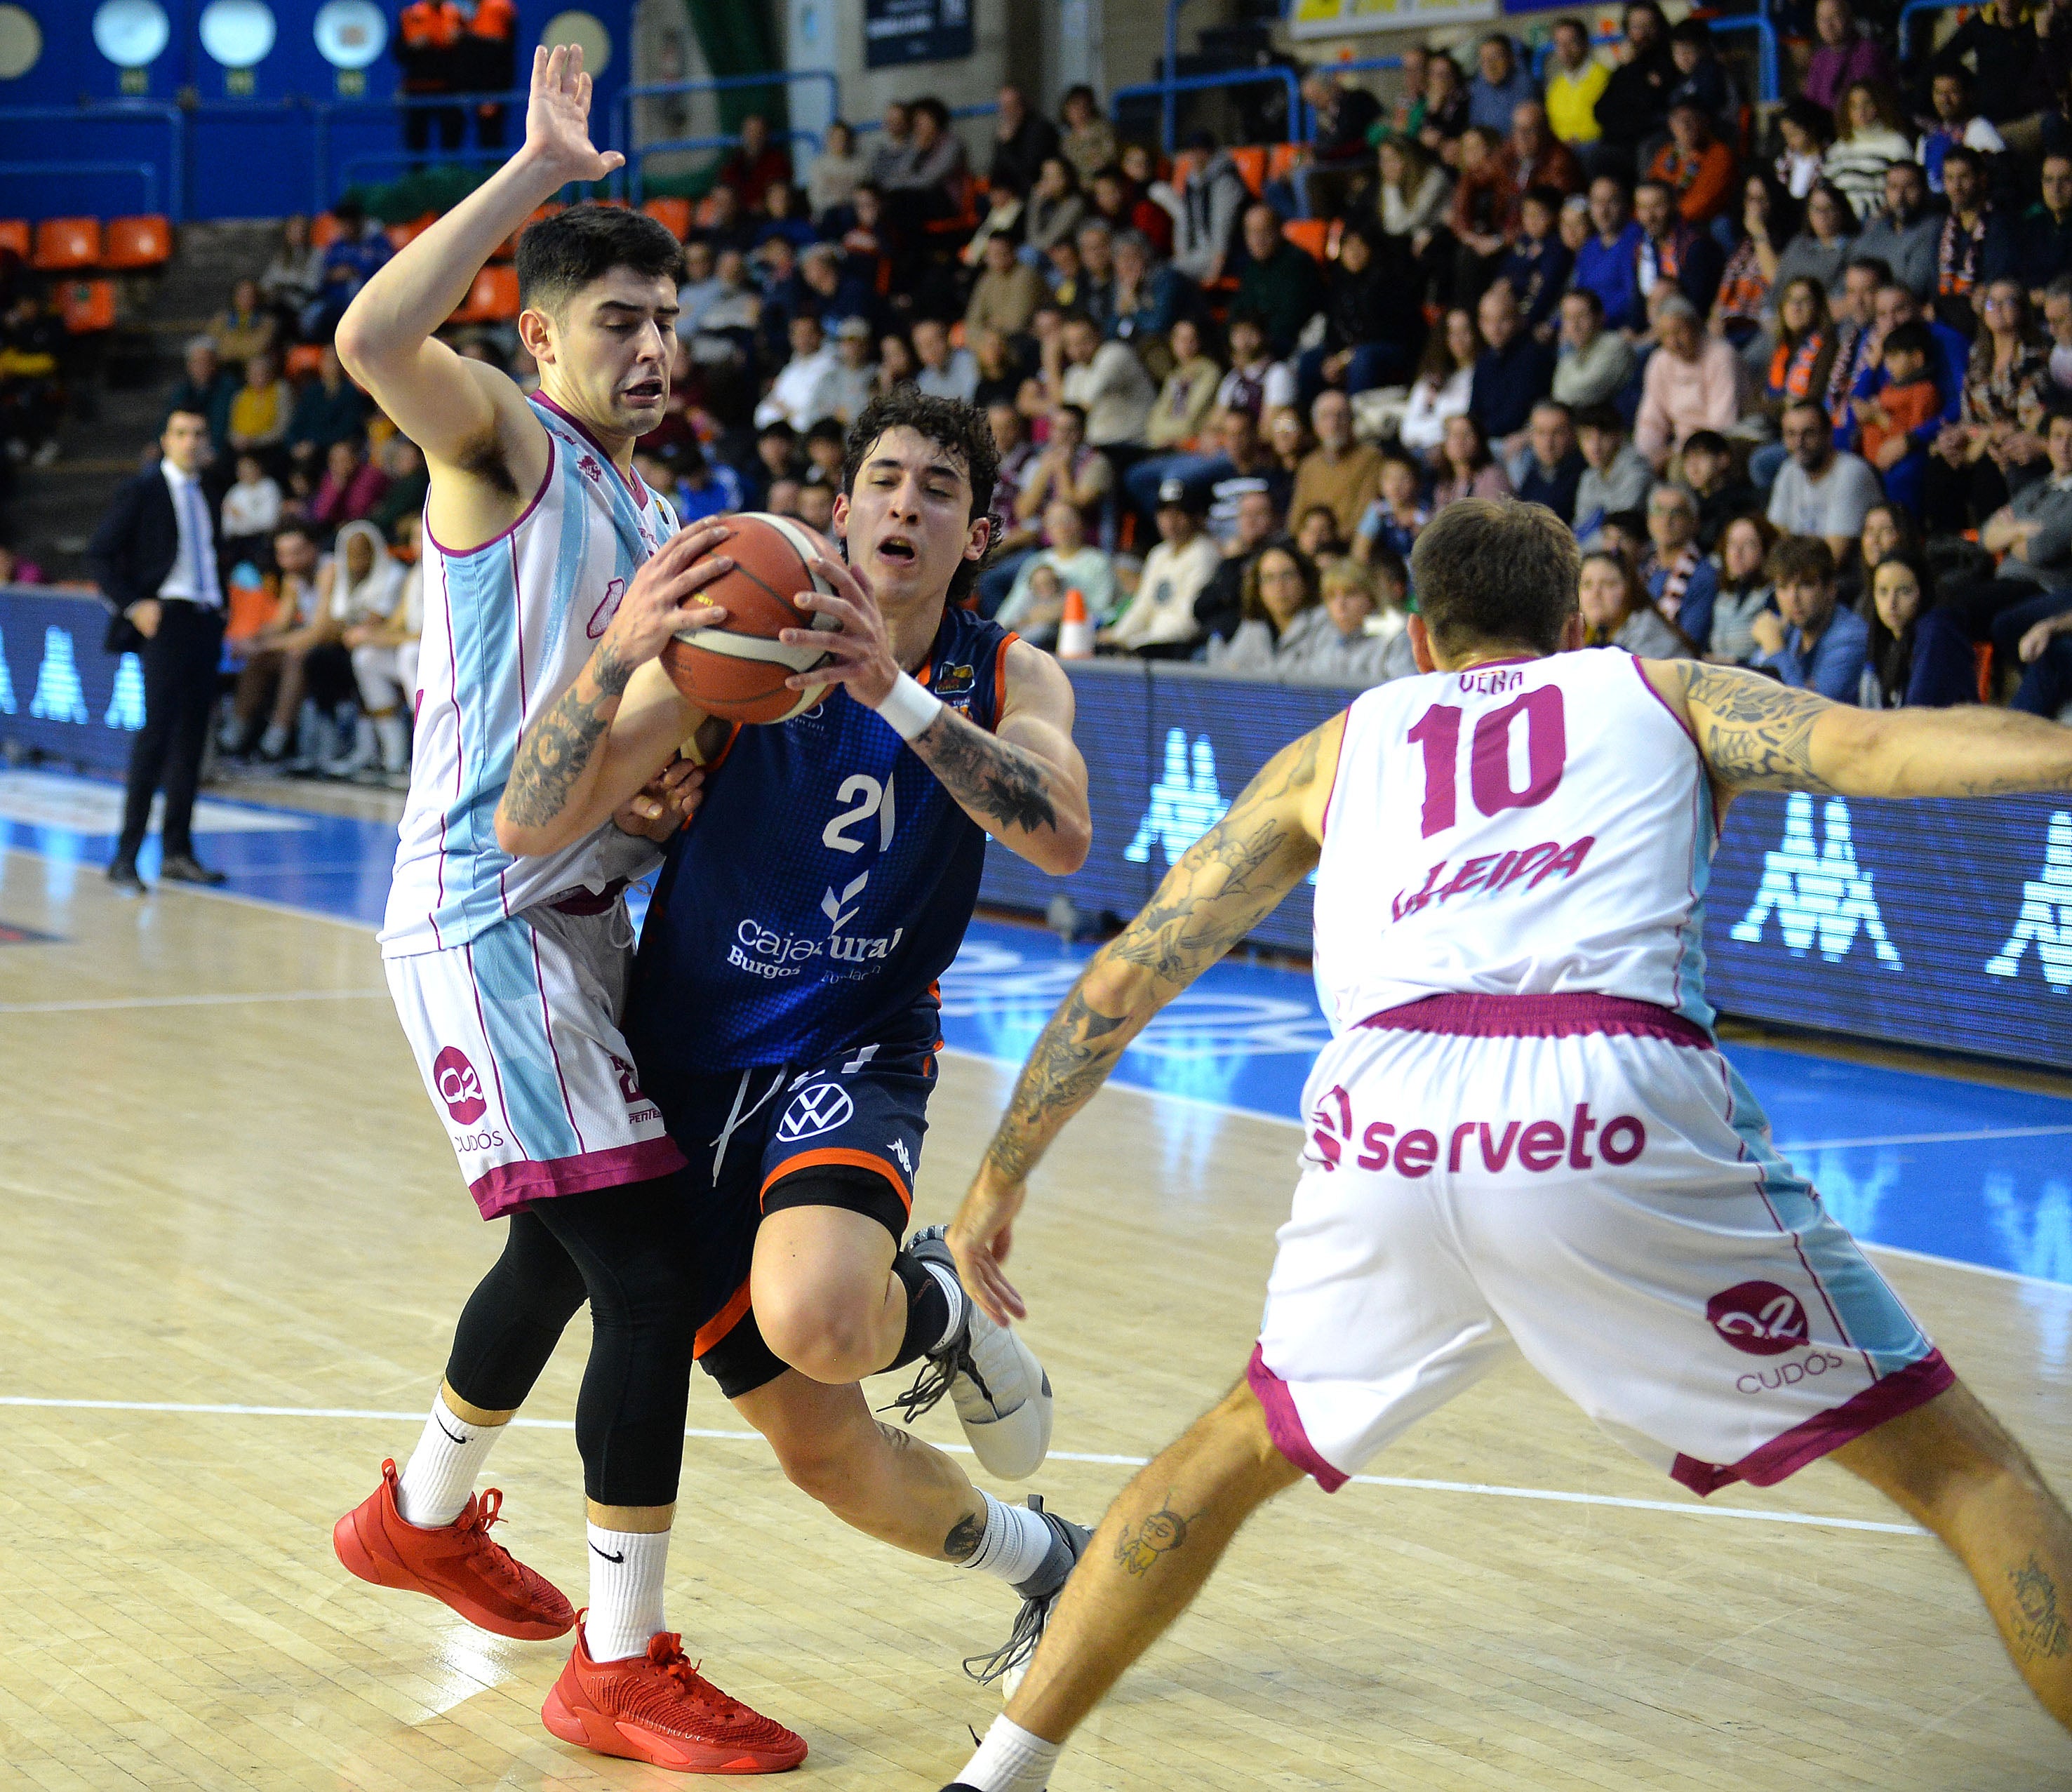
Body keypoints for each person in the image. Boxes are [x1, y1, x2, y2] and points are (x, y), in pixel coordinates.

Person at [934, 493, 2072, 1792]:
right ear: (1579, 615)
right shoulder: (1661, 687)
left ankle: (1000, 1772)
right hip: (1603, 1091)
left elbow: (1130, 969)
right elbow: (1878, 746)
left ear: (1419, 637)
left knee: (1234, 1445)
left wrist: (997, 1176)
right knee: (1962, 1467)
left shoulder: (1335, 746)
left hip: (1385, 1118)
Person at [324, 51, 810, 1770]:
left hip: (582, 909)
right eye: (615, 317)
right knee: (654, 1258)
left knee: (563, 1238)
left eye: (666, 319)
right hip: (490, 919)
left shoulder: (662, 511)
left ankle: (422, 1512)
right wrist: (529, 173)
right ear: (536, 339)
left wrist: (693, 748)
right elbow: (371, 346)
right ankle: (621, 1657)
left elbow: (622, 734)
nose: (653, 347)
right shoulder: (508, 447)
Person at [495, 375, 1098, 1726]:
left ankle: (912, 1304)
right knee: (821, 1451)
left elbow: (1060, 834)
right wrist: (618, 669)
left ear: (977, 533)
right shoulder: (739, 652)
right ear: (836, 511)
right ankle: (1045, 1554)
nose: (906, 504)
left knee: (821, 1317)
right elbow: (531, 821)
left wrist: (895, 698)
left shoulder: (1009, 671)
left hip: (857, 1040)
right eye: (884, 480)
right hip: (685, 1061)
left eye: (939, 491)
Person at [89, 408, 229, 895]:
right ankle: (125, 856)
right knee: (155, 736)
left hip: (204, 619)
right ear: (165, 440)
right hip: (164, 619)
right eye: (181, 434)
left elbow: (211, 553)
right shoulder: (144, 489)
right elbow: (100, 554)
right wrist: (133, 605)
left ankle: (177, 851)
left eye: (198, 433)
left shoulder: (210, 491)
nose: (191, 442)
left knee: (193, 739)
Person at [1105, 478, 1221, 655]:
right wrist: (1117, 638)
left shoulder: (1204, 553)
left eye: (1178, 514)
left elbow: (1189, 621)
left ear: (1195, 517)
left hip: (1179, 646)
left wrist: (1138, 642)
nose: (1170, 522)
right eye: (1164, 514)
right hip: (1148, 642)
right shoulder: (1159, 554)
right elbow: (1142, 606)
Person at [1749, 533, 1869, 697]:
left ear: (1830, 589)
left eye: (1805, 585)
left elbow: (1814, 712)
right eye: (1783, 587)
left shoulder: (1851, 637)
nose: (1793, 598)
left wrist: (1775, 649)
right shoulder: (1791, 628)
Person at [1634, 294, 1745, 467]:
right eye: (1665, 335)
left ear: (1696, 326)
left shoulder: (1721, 356)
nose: (1673, 342)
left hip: (1721, 445)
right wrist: (1646, 456)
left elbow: (1723, 424)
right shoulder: (1660, 361)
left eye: (1679, 332)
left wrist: (1673, 452)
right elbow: (1651, 419)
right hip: (1680, 447)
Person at [1766, 399, 1883, 563]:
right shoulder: (1789, 470)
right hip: (1803, 573)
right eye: (1791, 434)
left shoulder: (1852, 472)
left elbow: (1834, 557)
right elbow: (1776, 536)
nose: (1799, 443)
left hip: (1845, 577)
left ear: (1828, 433)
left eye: (1809, 433)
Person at [1859, 547, 1975, 707]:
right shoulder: (1880, 637)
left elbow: (1919, 710)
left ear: (1923, 593)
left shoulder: (1936, 633)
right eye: (1883, 591)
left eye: (1904, 591)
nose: (1892, 603)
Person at [997, 496, 1115, 643]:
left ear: (1081, 523)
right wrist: (1002, 627)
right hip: (1032, 627)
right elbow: (1015, 603)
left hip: (1076, 633)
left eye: (1067, 521)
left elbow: (1103, 609)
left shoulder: (1097, 562)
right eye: (1054, 522)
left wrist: (1061, 612)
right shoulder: (1036, 561)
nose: (1061, 528)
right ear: (1046, 528)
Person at [1854, 320, 1943, 513]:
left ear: (1918, 358)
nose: (1888, 365)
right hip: (1872, 466)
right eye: (1886, 358)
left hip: (1901, 468)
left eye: (1894, 357)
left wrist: (1880, 418)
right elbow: (1856, 402)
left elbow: (1912, 436)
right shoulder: (1888, 389)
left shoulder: (1924, 391)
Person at [1470, 280, 1557, 453]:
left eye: (1503, 320)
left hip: (1519, 441)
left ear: (1519, 319)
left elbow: (1516, 415)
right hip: (1487, 440)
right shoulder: (1484, 361)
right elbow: (1474, 411)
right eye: (1488, 321)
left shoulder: (1534, 356)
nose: (1495, 328)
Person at [1231, 203, 1326, 361]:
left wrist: (1258, 341)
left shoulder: (1297, 262)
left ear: (1279, 231)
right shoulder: (1250, 268)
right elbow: (1239, 311)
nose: (1258, 239)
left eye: (1265, 231)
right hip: (1256, 346)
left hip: (1294, 347)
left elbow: (1291, 319)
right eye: (1252, 233)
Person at [1288, 389, 1384, 543]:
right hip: (1308, 547)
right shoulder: (1308, 465)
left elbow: (1363, 516)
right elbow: (1296, 520)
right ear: (1316, 426)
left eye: (1341, 416)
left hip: (1345, 546)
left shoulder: (1370, 458)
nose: (1334, 424)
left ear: (1351, 422)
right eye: (1326, 416)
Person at [1595, 0, 1677, 173]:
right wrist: (1627, 67)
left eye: (1649, 26)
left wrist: (1632, 67)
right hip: (1620, 137)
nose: (1643, 34)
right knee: (1598, 154)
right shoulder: (1624, 66)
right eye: (1637, 27)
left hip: (1651, 134)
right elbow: (1601, 109)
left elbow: (1649, 103)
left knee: (1646, 150)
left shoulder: (1668, 60)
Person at [1821, 83, 1914, 224]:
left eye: (1867, 104)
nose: (1861, 111)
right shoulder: (1837, 150)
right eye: (1854, 106)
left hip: (1881, 224)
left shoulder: (1897, 145)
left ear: (1879, 105)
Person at [1577, 542, 1692, 653]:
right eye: (1587, 585)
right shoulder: (1583, 638)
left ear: (1630, 589)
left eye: (1608, 584)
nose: (1595, 593)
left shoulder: (1648, 634)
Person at [1642, 481, 1717, 648]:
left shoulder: (1703, 576)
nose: (1666, 520)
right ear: (1649, 520)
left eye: (1677, 513)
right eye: (1659, 511)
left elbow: (1690, 642)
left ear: (1694, 522)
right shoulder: (1643, 571)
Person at [1401, 306, 1481, 463]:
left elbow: (1465, 423)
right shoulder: (1432, 377)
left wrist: (1438, 429)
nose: (1458, 339)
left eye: (1465, 331)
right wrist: (1443, 425)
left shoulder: (1480, 375)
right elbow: (1407, 431)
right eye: (1452, 333)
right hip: (1423, 452)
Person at [1574, 176, 1647, 333]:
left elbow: (1633, 298)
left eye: (1611, 202)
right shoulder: (1589, 247)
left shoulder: (1637, 240)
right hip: (1584, 328)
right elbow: (1579, 293)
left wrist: (1593, 320)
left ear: (1625, 205)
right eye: (1597, 202)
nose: (1603, 211)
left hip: (1616, 330)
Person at [1647, 99, 1737, 227]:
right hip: (1663, 219)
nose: (1685, 126)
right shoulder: (1665, 154)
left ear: (1704, 122)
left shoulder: (1719, 155)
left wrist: (1666, 216)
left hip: (1698, 222)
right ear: (1671, 125)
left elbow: (1705, 202)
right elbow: (1651, 190)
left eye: (1691, 120)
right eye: (1679, 121)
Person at [1499, 186, 1575, 337]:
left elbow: (1545, 288)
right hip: (1509, 311)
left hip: (1532, 319)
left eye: (1538, 215)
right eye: (1527, 214)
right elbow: (1504, 275)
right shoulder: (1523, 241)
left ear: (1554, 216)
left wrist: (1516, 282)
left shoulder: (1557, 249)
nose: (1531, 221)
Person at [1572, 401, 1653, 540]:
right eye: (1587, 438)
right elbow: (1581, 527)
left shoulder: (1637, 471)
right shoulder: (1588, 477)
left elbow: (1619, 528)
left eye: (1602, 436)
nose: (1595, 447)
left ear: (1619, 436)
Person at [1918, 69, 2005, 196]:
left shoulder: (1979, 128)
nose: (1945, 100)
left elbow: (2000, 176)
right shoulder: (1927, 138)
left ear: (1968, 95)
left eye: (1952, 92)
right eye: (1939, 93)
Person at [1708, 512, 1777, 663]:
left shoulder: (1774, 596)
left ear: (1766, 551)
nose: (1737, 553)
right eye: (1732, 544)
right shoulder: (1723, 594)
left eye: (1749, 544)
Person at [1804, 0, 1894, 116]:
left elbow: (1869, 106)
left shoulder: (1868, 54)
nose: (1828, 25)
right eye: (1822, 19)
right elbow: (1810, 103)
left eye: (1835, 17)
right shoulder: (1820, 58)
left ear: (1850, 19)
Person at [1551, 287, 1636, 410]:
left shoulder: (1615, 346)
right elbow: (1557, 395)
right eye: (1568, 318)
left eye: (1581, 316)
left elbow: (1576, 395)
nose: (1574, 326)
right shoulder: (1572, 351)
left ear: (1600, 317)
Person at [1676, 428, 1754, 550]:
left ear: (1723, 460)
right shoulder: (1687, 503)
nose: (1693, 467)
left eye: (1700, 457)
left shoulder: (1743, 502)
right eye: (1687, 460)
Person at [1513, 399, 1584, 523]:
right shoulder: (1534, 471)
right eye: (1540, 433)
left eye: (1557, 433)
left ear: (1573, 434)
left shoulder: (1583, 475)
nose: (1548, 443)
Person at [1544, 17, 1610, 152]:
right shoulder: (1556, 86)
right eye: (1560, 44)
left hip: (1595, 146)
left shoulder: (1603, 77)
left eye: (1571, 42)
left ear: (1585, 44)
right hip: (1562, 150)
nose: (1565, 50)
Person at [966, 232, 1045, 340]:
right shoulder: (987, 278)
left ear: (1012, 253)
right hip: (993, 340)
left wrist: (990, 324)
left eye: (1000, 253)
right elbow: (972, 320)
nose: (995, 259)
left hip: (1025, 340)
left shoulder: (1026, 276)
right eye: (991, 254)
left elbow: (1017, 323)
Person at [989, 86, 1060, 200]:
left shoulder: (1040, 129)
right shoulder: (1006, 132)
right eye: (1003, 107)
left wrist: (1008, 146)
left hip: (1034, 192)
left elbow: (1028, 171)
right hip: (1009, 195)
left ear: (1021, 105)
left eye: (1011, 106)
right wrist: (997, 191)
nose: (1006, 112)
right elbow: (997, 169)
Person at [2017, 155, 2072, 302]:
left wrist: (2048, 295)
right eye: (2049, 180)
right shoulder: (2032, 222)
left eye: (2065, 180)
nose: (2056, 188)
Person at [1433, 412, 1513, 508]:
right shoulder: (1445, 486)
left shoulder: (1493, 477)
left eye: (1466, 434)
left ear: (1479, 440)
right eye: (1454, 434)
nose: (1460, 441)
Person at [809, 120, 869, 226]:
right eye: (835, 138)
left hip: (853, 212)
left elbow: (865, 195)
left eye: (843, 138)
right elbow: (816, 198)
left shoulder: (860, 166)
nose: (840, 142)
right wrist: (836, 203)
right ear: (828, 140)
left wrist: (847, 203)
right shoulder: (819, 165)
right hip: (827, 214)